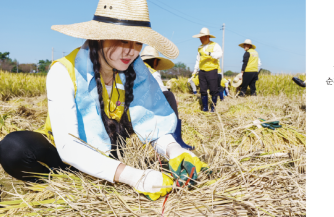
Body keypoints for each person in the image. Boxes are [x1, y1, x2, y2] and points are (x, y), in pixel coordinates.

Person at [0, 0, 208, 201]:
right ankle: (66, 186)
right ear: (98, 37)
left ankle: (114, 170)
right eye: (123, 40)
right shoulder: (63, 72)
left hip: (113, 145)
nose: (131, 51)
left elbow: (151, 120)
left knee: (166, 99)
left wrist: (174, 150)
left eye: (137, 42)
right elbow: (69, 146)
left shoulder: (136, 70)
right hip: (68, 156)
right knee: (14, 148)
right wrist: (134, 177)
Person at [141, 46, 194, 150]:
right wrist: (173, 101)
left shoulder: (135, 70)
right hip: (147, 104)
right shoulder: (153, 73)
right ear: (155, 61)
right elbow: (162, 91)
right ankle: (176, 138)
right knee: (169, 96)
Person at [192, 27, 223, 112]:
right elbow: (198, 59)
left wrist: (210, 54)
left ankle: (213, 107)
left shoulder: (215, 45)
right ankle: (205, 107)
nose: (200, 39)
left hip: (212, 70)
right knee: (203, 90)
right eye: (200, 38)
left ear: (207, 37)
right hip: (202, 71)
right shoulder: (200, 47)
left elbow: (220, 54)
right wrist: (195, 70)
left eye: (202, 37)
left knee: (213, 90)